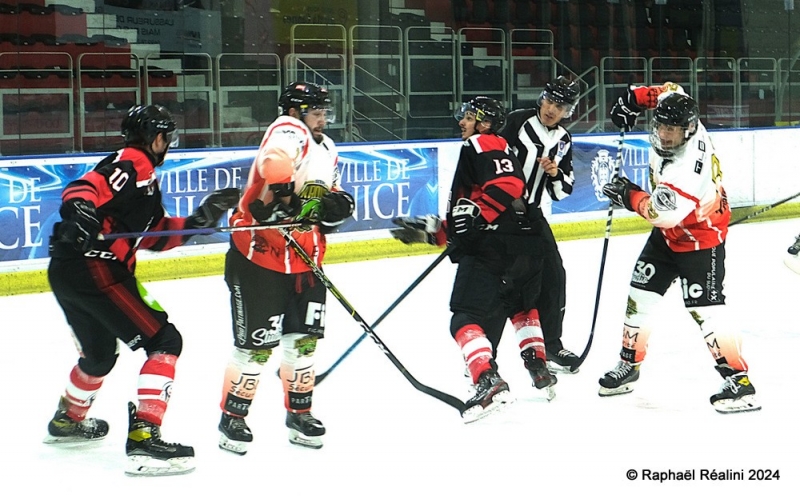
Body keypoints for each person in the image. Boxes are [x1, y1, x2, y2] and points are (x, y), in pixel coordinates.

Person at [44, 104, 241, 476]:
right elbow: (84, 188)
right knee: (165, 341)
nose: (169, 144)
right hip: (96, 266)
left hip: (70, 269)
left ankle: (68, 419)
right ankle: (144, 436)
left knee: (100, 356)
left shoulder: (144, 180)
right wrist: (82, 211)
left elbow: (153, 236)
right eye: (167, 136)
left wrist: (199, 220)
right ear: (155, 138)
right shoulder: (135, 161)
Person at [599, 82, 760, 414]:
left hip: (700, 237)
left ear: (688, 130)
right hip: (669, 236)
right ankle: (629, 364)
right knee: (639, 294)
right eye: (661, 126)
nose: (665, 135)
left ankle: (739, 380)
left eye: (672, 130)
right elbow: (671, 89)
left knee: (706, 308)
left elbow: (662, 214)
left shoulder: (687, 168)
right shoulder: (681, 108)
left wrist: (629, 195)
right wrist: (633, 99)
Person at [391, 96, 555, 422]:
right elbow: (475, 213)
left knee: (464, 317)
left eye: (467, 117)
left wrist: (480, 214)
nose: (461, 123)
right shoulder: (497, 146)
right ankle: (537, 364)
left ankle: (486, 379)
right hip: (527, 243)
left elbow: (507, 185)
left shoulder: (481, 142)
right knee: (519, 305)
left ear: (482, 122)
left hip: (497, 246)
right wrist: (435, 232)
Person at [216, 81, 354, 454]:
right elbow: (274, 162)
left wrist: (337, 206)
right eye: (316, 111)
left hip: (306, 258)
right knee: (257, 348)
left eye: (325, 110)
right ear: (295, 111)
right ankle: (233, 416)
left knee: (303, 341)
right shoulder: (288, 128)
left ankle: (300, 413)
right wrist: (284, 196)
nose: (323, 117)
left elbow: (328, 195)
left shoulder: (327, 147)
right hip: (260, 258)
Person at [497, 75, 582, 374]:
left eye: (561, 106)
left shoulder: (563, 140)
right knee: (498, 284)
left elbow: (562, 192)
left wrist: (555, 173)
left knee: (553, 276)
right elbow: (490, 156)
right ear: (542, 98)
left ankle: (553, 345)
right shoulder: (517, 121)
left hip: (531, 214)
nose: (553, 110)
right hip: (500, 213)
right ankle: (482, 355)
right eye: (551, 102)